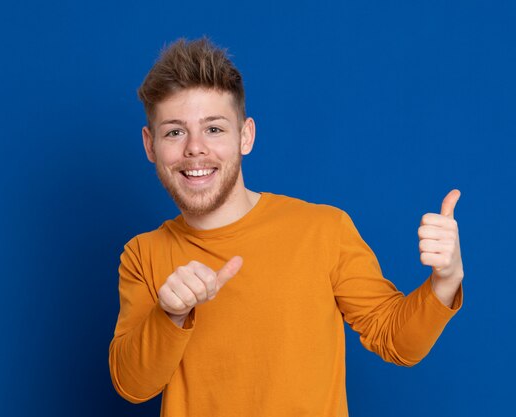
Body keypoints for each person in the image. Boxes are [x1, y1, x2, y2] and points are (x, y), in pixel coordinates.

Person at [108, 37, 464, 417]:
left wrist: (445, 281)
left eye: (213, 129)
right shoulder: (142, 255)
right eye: (175, 132)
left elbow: (398, 341)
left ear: (245, 136)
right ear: (150, 145)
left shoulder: (324, 230)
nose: (195, 148)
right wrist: (170, 315)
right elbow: (132, 386)